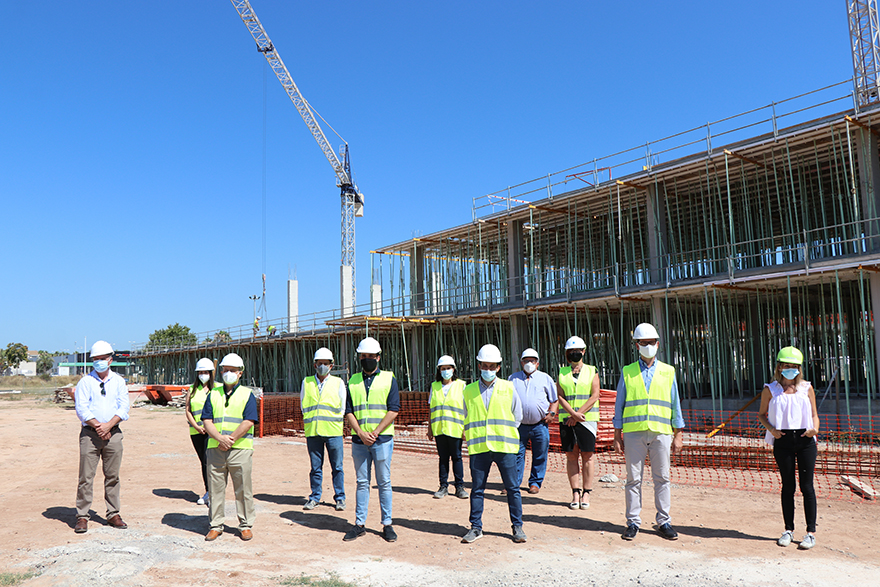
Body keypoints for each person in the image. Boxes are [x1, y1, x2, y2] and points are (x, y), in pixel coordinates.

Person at [613, 323, 684, 541]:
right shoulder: (627, 371)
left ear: (658, 344)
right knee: (633, 479)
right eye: (643, 343)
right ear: (636, 345)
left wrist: (678, 433)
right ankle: (633, 522)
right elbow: (619, 404)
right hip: (634, 432)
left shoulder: (668, 371)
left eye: (651, 342)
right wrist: (617, 435)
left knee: (662, 478)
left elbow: (675, 403)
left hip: (661, 432)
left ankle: (664, 521)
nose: (647, 346)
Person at [460, 344, 526, 545]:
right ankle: (476, 527)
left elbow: (517, 416)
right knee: (477, 489)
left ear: (498, 367)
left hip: (504, 447)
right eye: (484, 365)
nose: (488, 369)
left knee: (513, 489)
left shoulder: (509, 387)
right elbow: (465, 416)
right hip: (480, 448)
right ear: (479, 365)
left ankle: (517, 527)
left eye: (492, 366)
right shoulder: (468, 390)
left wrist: (501, 432)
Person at [757, 346, 820, 550]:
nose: (790, 369)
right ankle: (788, 529)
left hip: (805, 439)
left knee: (807, 486)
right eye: (786, 365)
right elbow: (761, 415)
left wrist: (815, 429)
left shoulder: (806, 388)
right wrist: (772, 430)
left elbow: (814, 414)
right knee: (788, 486)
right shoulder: (770, 390)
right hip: (783, 440)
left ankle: (810, 533)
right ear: (779, 367)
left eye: (794, 366)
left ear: (800, 368)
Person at [343, 337, 400, 543]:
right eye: (363, 356)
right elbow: (348, 411)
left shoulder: (389, 379)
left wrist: (374, 432)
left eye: (370, 356)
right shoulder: (352, 381)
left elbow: (394, 409)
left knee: (384, 482)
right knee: (362, 482)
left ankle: (387, 524)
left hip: (382, 439)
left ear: (378, 357)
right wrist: (360, 433)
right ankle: (359, 524)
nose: (367, 359)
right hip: (360, 442)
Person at [73, 340, 130, 533]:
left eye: (102, 359)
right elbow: (81, 408)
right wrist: (98, 426)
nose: (98, 362)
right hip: (90, 435)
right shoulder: (85, 382)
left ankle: (113, 513)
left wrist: (108, 426)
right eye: (95, 359)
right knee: (86, 477)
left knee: (112, 476)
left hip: (113, 434)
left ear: (110, 360)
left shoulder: (119, 382)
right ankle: (82, 516)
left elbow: (124, 407)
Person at [202, 352, 259, 541]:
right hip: (216, 449)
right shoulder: (213, 394)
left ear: (240, 373)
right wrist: (219, 438)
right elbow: (207, 420)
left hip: (240, 449)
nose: (228, 373)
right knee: (215, 489)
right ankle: (216, 525)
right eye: (225, 370)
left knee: (243, 489)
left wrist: (230, 439)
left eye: (232, 370)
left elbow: (249, 421)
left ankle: (245, 525)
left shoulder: (246, 394)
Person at [556, 336, 601, 510]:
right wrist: (572, 414)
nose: (575, 353)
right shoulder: (562, 372)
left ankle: (587, 492)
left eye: (578, 350)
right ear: (568, 353)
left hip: (587, 420)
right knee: (571, 455)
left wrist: (578, 414)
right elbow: (560, 396)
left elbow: (595, 395)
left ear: (584, 351)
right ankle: (575, 492)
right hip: (567, 419)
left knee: (588, 455)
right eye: (572, 351)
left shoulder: (592, 370)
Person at [300, 347, 347, 512]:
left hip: (333, 432)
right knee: (315, 468)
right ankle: (314, 497)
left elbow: (342, 407)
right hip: (313, 432)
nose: (322, 366)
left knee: (337, 467)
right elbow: (303, 406)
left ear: (331, 366)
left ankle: (340, 498)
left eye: (326, 363)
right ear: (314, 365)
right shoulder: (306, 382)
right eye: (320, 363)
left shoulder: (338, 383)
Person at [509, 348, 558, 495]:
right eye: (526, 361)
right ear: (521, 362)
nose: (529, 363)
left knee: (540, 454)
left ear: (537, 363)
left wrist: (552, 413)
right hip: (519, 425)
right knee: (516, 454)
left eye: (532, 361)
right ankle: (514, 483)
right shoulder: (513, 378)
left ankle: (535, 483)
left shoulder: (545, 378)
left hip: (540, 425)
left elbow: (554, 400)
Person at [428, 355, 468, 499]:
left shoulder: (461, 385)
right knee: (443, 458)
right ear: (439, 370)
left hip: (456, 428)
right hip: (439, 429)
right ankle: (443, 486)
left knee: (457, 457)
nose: (446, 371)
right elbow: (431, 408)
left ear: (453, 369)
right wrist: (430, 428)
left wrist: (465, 429)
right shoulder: (434, 386)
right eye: (443, 368)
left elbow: (465, 409)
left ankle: (459, 487)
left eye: (448, 368)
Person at [185, 357, 220, 506]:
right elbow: (188, 410)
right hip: (196, 432)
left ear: (211, 373)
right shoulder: (192, 390)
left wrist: (210, 428)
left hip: (212, 432)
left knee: (210, 461)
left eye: (206, 372)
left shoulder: (218, 388)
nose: (203, 375)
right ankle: (208, 491)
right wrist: (196, 426)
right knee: (204, 462)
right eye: (200, 372)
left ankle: (214, 494)